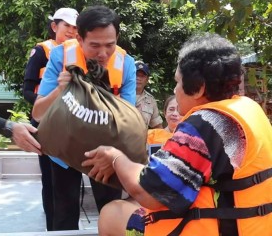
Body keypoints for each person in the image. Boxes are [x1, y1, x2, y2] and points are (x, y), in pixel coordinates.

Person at [82, 33, 272, 236]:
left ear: (198, 88)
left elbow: (150, 193)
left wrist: (115, 158)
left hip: (220, 229)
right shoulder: (249, 109)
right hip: (256, 227)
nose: (175, 89)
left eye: (178, 83)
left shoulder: (205, 124)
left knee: (112, 213)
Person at [32, 5, 136, 230]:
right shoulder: (60, 56)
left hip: (105, 154)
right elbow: (38, 113)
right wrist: (60, 90)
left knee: (113, 212)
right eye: (94, 45)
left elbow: (129, 123)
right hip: (65, 152)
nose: (103, 54)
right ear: (79, 38)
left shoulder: (126, 64)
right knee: (63, 215)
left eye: (110, 45)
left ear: (117, 37)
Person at [23, 7, 78, 231]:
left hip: (73, 123)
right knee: (50, 178)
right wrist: (48, 104)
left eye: (75, 28)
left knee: (67, 179)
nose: (71, 31)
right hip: (44, 123)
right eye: (67, 26)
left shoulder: (80, 52)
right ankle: (52, 228)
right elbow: (27, 90)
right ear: (55, 27)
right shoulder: (42, 51)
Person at [135, 61, 163, 129]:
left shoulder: (151, 100)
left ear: (147, 80)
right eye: (136, 74)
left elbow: (157, 126)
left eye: (142, 76)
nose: (138, 78)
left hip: (141, 138)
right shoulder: (120, 94)